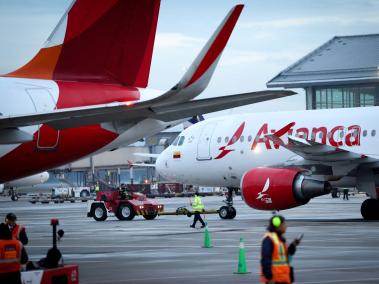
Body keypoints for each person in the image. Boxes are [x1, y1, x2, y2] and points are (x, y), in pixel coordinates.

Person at [260, 215, 301, 284]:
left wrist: (293, 246)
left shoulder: (279, 239)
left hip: (283, 278)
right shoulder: (269, 239)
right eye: (284, 224)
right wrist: (269, 277)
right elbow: (266, 259)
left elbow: (286, 257)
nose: (286, 226)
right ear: (278, 225)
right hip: (274, 279)